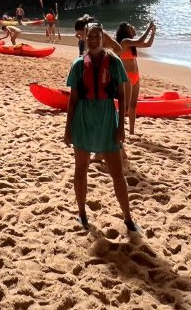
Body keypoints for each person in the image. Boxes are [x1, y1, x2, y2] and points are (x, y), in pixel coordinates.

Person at [64, 23, 137, 232]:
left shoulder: (114, 62)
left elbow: (122, 95)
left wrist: (121, 126)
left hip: (107, 119)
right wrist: (68, 129)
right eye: (90, 36)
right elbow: (73, 99)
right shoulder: (79, 65)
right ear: (85, 38)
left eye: (97, 36)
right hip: (83, 119)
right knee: (80, 169)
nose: (94, 40)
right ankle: (82, 215)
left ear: (103, 38)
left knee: (117, 172)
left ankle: (128, 218)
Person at [115, 21, 157, 136]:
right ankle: (117, 127)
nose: (132, 27)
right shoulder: (124, 42)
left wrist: (153, 33)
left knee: (133, 105)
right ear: (125, 31)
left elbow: (148, 44)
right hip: (127, 77)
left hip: (136, 76)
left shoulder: (132, 44)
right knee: (126, 107)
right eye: (130, 27)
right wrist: (148, 28)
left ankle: (132, 132)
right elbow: (140, 40)